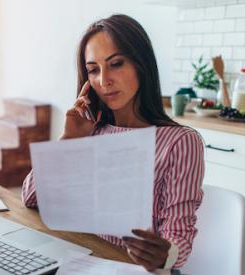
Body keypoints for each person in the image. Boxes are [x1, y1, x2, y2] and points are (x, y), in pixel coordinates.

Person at [21, 14, 204, 271]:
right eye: (94, 70)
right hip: (82, 260)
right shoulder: (90, 131)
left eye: (116, 64)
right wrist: (69, 140)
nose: (104, 80)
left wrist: (165, 254)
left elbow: (179, 235)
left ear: (142, 64)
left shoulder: (180, 142)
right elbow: (30, 198)